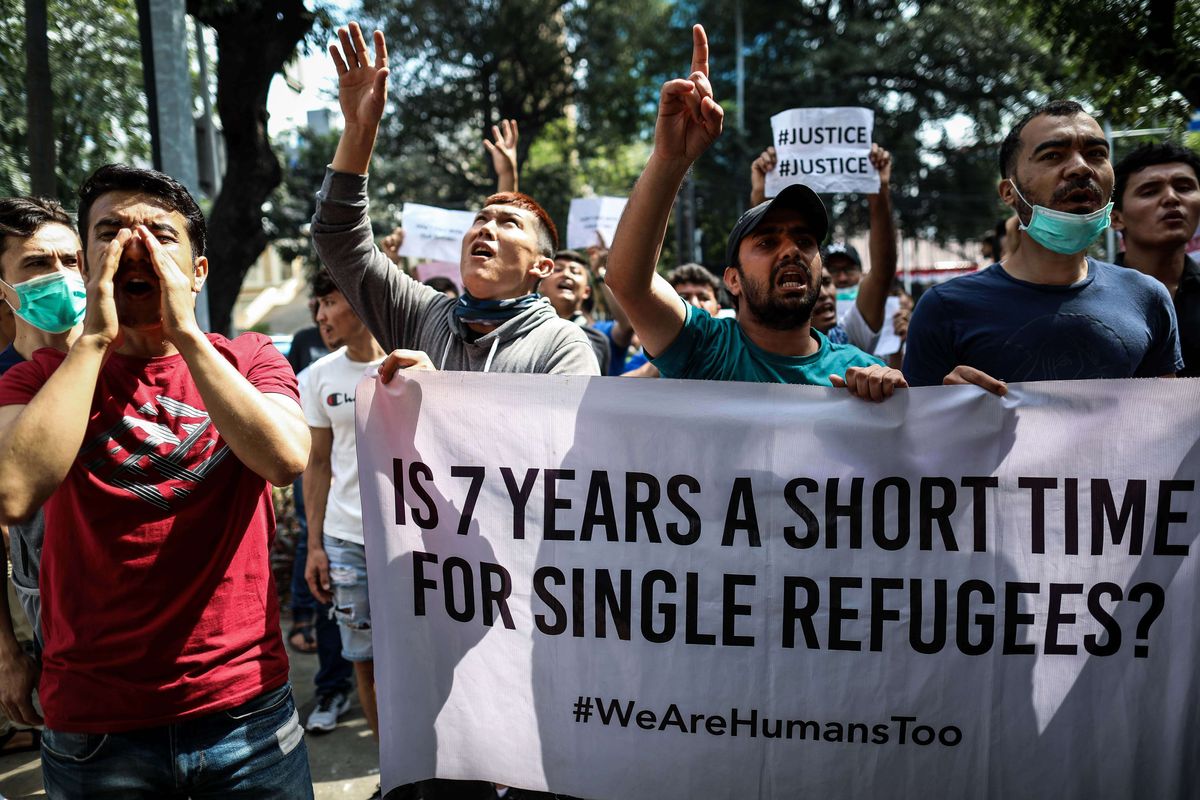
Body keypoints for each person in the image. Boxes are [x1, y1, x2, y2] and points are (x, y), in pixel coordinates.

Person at [0, 165, 313, 797]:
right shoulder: (36, 381)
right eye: (111, 231)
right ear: (86, 267)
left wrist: (186, 335)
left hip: (246, 713)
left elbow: (284, 458)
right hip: (98, 730)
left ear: (198, 271)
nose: (133, 247)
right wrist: (93, 344)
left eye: (160, 235)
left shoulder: (248, 358)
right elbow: (13, 489)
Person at [605, 25, 905, 401]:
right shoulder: (707, 349)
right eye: (767, 241)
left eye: (804, 239)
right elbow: (628, 283)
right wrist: (671, 160)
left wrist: (893, 400)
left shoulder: (859, 371)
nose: (791, 250)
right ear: (732, 280)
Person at [311, 23, 598, 380]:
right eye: (480, 219)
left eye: (509, 223)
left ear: (541, 266)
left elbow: (548, 437)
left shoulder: (563, 346)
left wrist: (440, 393)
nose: (485, 228)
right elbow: (339, 239)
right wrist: (359, 129)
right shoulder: (422, 314)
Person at [903, 100, 1182, 392]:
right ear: (1009, 192)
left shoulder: (1147, 297)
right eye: (1053, 155)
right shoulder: (945, 308)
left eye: (1096, 154)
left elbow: (1161, 425)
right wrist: (950, 407)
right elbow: (919, 432)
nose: (1080, 168)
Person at [0, 196, 85, 753]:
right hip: (64, 646)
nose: (60, 276)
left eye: (71, 260)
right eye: (36, 264)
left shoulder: (137, 359)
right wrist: (6, 653)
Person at [300, 269, 387, 795]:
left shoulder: (418, 363)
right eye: (316, 305)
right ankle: (393, 771)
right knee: (366, 660)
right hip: (345, 541)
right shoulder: (318, 378)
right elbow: (318, 466)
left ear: (357, 299)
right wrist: (314, 545)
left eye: (329, 302)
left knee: (423, 657)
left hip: (415, 542)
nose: (320, 316)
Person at [750, 143, 898, 354]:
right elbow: (755, 261)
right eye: (808, 280)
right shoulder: (760, 342)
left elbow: (883, 272)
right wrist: (760, 194)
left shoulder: (847, 339)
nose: (824, 293)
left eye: (827, 282)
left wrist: (879, 192)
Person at [1111, 142, 1200, 376]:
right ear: (1115, 218)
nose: (1171, 198)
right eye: (1150, 191)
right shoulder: (1088, 300)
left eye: (1184, 187)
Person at [541, 250, 610, 373]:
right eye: (557, 269)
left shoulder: (598, 340)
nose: (566, 274)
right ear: (541, 285)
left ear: (586, 292)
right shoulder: (524, 332)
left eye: (575, 272)